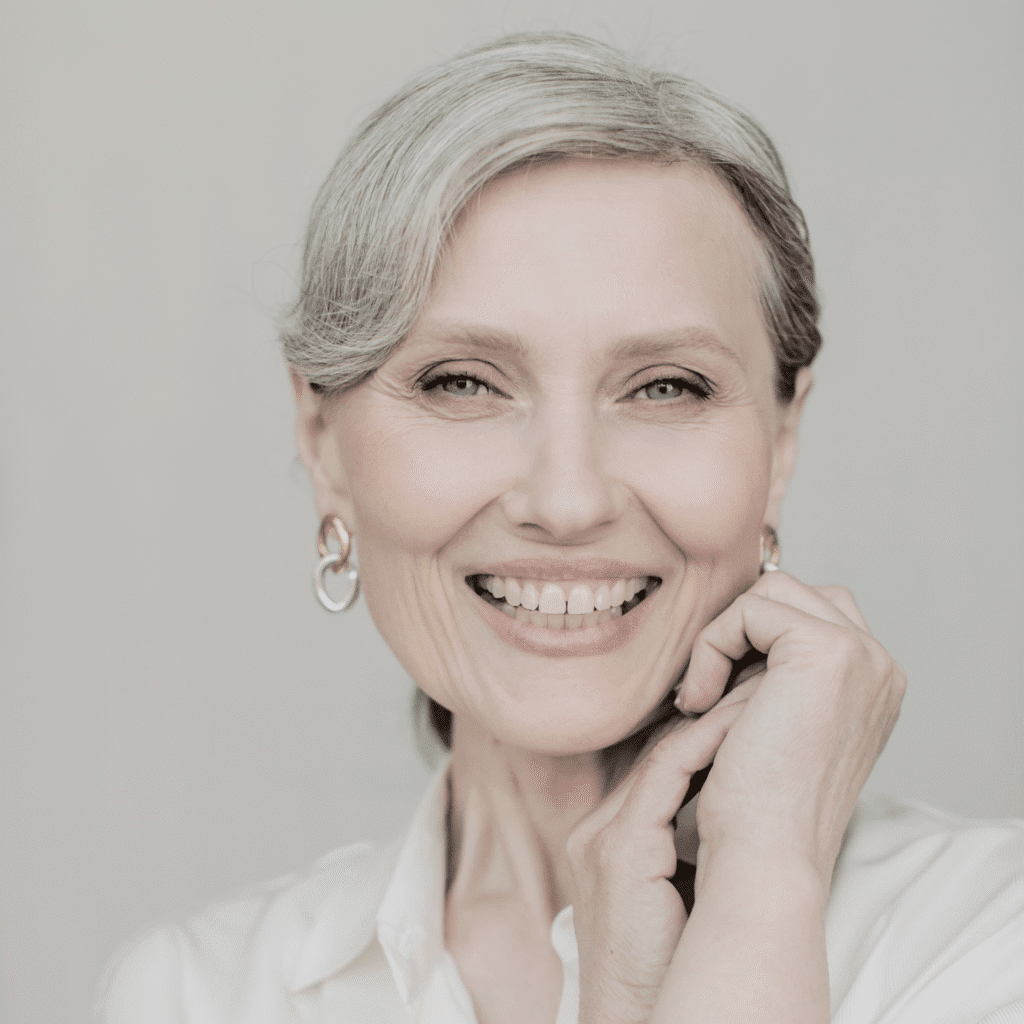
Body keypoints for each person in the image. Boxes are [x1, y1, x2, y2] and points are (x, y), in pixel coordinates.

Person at [94, 31, 1024, 1024]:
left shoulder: (984, 937)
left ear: (780, 438)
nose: (568, 499)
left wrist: (762, 880)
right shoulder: (194, 994)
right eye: (462, 382)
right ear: (322, 441)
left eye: (666, 386)